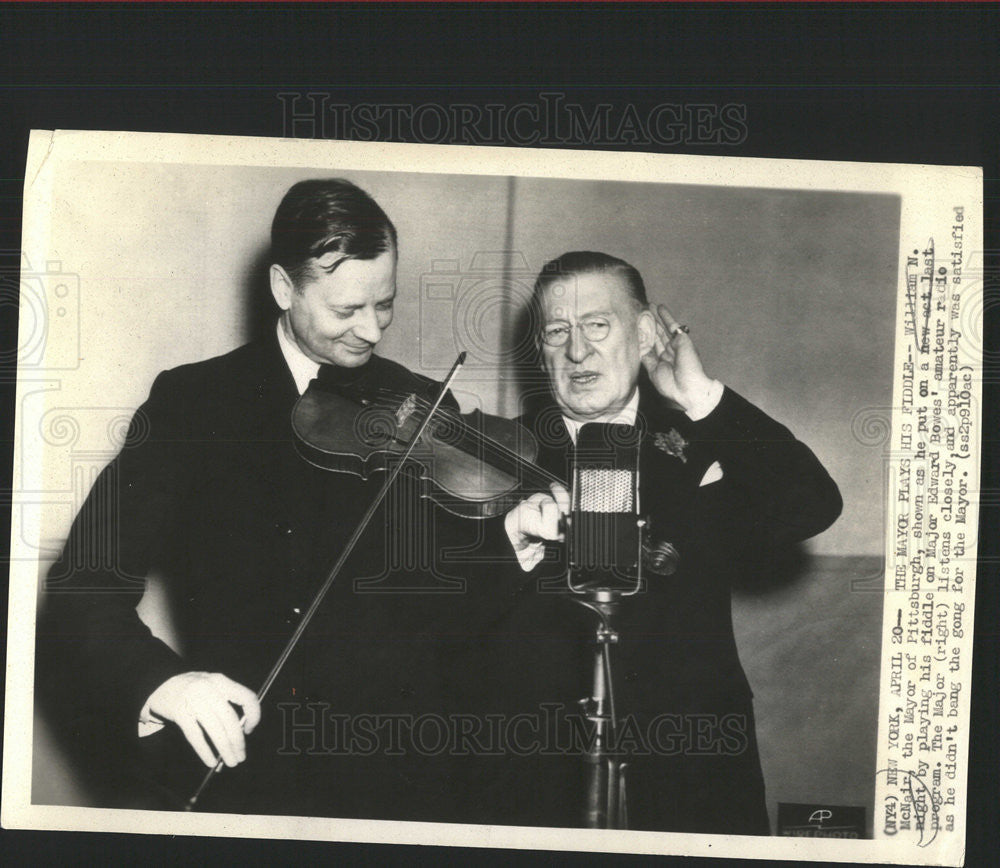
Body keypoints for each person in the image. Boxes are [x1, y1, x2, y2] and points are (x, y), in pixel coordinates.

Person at [35, 178, 488, 819]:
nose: (372, 331)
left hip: (408, 782)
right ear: (284, 288)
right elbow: (83, 585)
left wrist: (516, 543)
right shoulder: (194, 405)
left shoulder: (422, 405)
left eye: (384, 304)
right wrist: (164, 684)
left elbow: (468, 602)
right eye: (345, 310)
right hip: (261, 776)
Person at [446, 251, 843, 834]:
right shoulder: (491, 454)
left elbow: (811, 505)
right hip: (538, 779)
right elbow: (446, 624)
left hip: (693, 769)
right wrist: (508, 547)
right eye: (557, 332)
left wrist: (702, 396)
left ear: (645, 333)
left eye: (597, 327)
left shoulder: (702, 433)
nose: (576, 352)